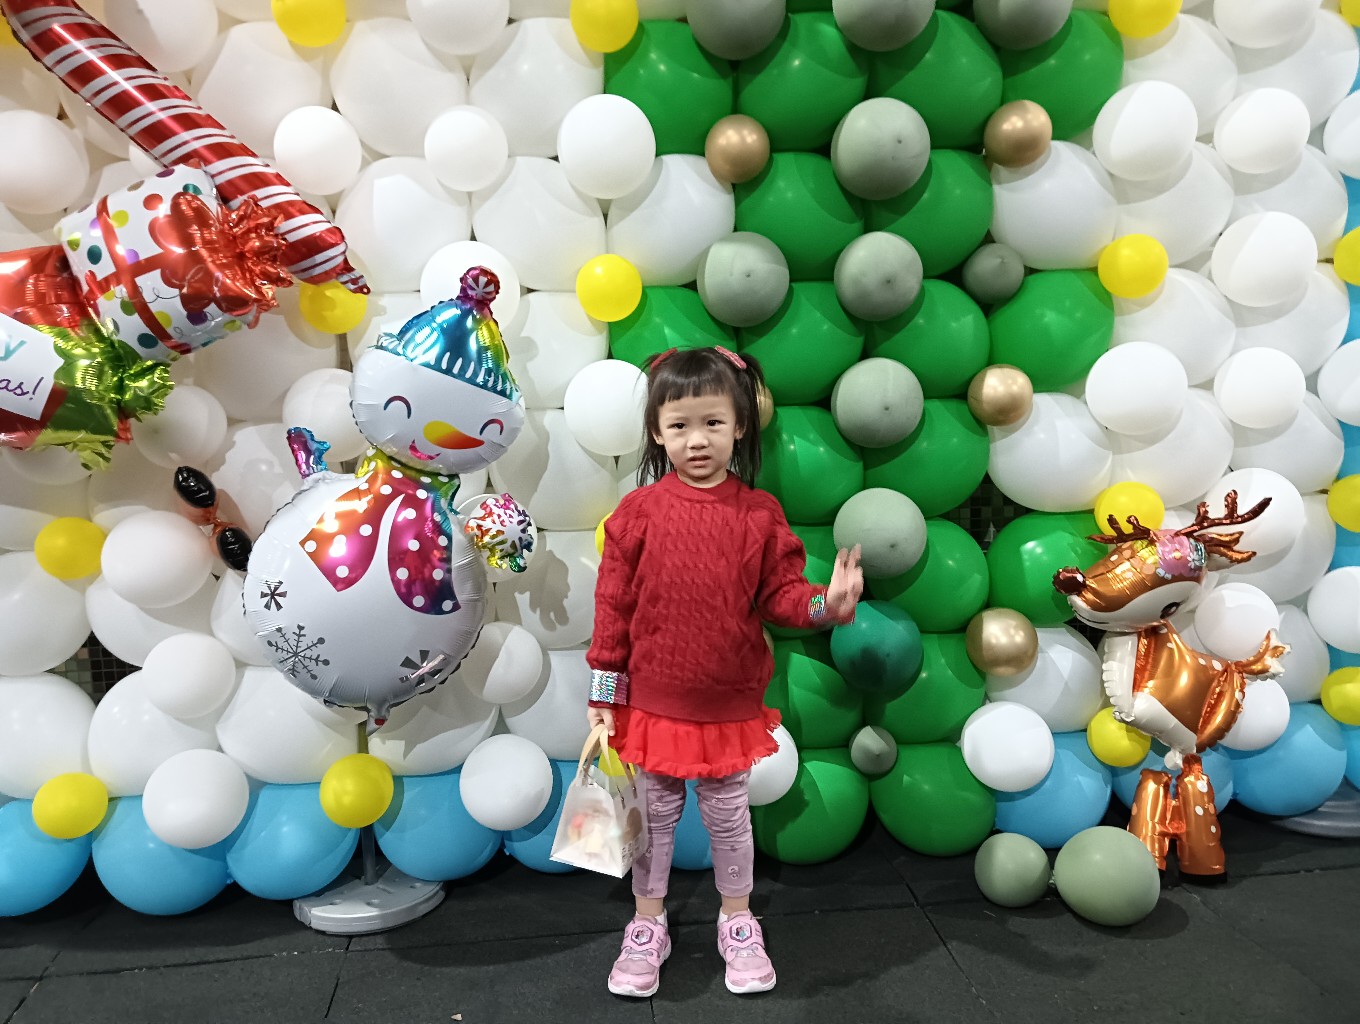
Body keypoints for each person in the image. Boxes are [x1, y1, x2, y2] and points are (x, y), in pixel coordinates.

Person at [586, 345, 863, 998]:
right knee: (653, 820)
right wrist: (604, 695)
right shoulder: (637, 514)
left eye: (712, 422)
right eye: (679, 425)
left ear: (740, 426)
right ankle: (647, 923)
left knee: (730, 820)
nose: (697, 439)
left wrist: (827, 605)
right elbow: (612, 609)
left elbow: (782, 598)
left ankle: (737, 920)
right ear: (657, 432)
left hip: (729, 707)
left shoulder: (759, 515)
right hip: (652, 706)